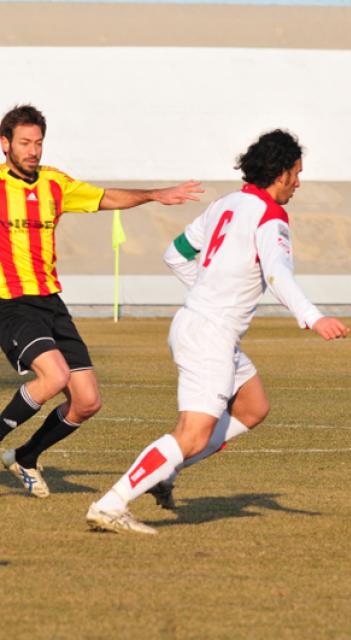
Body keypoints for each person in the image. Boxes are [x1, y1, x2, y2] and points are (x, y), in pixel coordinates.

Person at [86, 129, 350, 534]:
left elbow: (175, 253)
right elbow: (278, 274)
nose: (298, 182)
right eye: (296, 173)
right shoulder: (271, 216)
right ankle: (111, 503)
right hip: (210, 332)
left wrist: (207, 289)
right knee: (191, 435)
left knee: (252, 407)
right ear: (279, 173)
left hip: (198, 324)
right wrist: (314, 317)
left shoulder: (226, 203)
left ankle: (166, 473)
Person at [0, 104, 202, 497]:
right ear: (5, 144)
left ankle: (25, 457)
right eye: (25, 143)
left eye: (38, 143)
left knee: (87, 402)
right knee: (54, 376)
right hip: (10, 302)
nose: (33, 151)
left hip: (51, 302)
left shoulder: (55, 184)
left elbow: (106, 197)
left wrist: (155, 195)